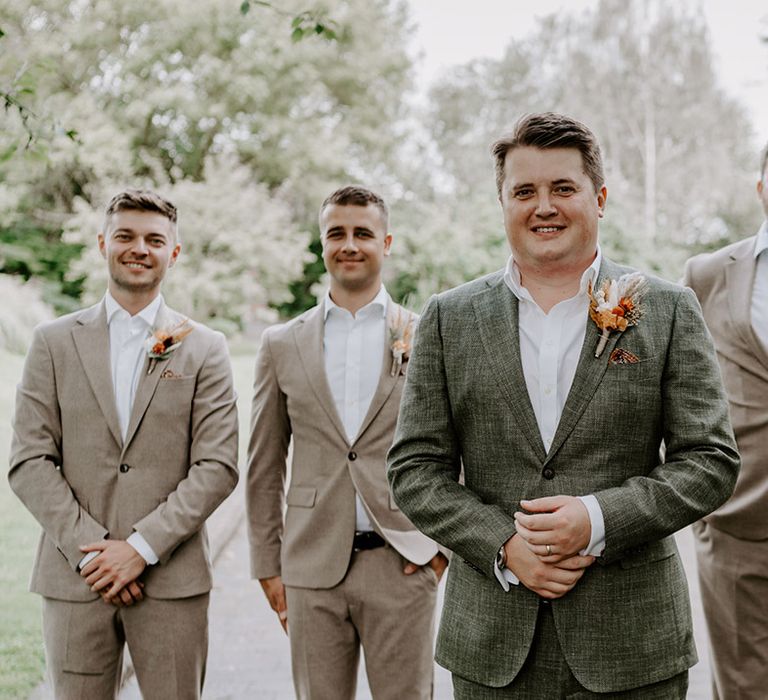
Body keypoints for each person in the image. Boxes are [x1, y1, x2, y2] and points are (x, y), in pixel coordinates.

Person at [387, 112, 740, 698]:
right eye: (524, 191)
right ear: (502, 203)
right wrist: (503, 544)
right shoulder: (450, 318)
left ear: (599, 198)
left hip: (633, 644)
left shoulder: (669, 309)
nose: (543, 206)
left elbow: (710, 460)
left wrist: (597, 519)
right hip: (492, 646)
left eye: (563, 189)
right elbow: (414, 470)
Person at [8, 189, 239, 700]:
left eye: (155, 239)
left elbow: (217, 466)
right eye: (126, 236)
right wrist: (94, 554)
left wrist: (140, 548)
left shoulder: (204, 347)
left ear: (173, 253)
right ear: (102, 244)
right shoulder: (52, 341)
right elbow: (29, 460)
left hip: (172, 580)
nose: (140, 248)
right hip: (75, 580)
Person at [247, 185, 447, 700]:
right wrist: (268, 566)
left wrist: (440, 550)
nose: (350, 244)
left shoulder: (428, 335)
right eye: (336, 233)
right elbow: (264, 465)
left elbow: (456, 450)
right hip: (311, 565)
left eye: (363, 233)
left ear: (387, 242)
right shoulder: (281, 344)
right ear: (322, 243)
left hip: (403, 561)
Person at [682, 143, 768, 699]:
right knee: (743, 689)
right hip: (738, 523)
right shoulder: (708, 274)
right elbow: (679, 390)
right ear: (762, 188)